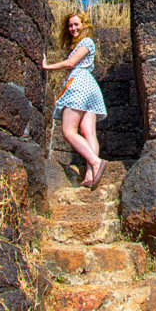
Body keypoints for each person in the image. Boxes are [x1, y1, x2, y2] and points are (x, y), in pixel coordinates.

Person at [42, 11, 108, 189]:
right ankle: (90, 174)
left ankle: (95, 162)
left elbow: (70, 64)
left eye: (76, 24)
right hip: (90, 87)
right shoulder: (85, 44)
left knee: (68, 131)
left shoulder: (86, 42)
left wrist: (47, 66)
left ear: (84, 25)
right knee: (88, 132)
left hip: (79, 85)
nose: (73, 28)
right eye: (70, 25)